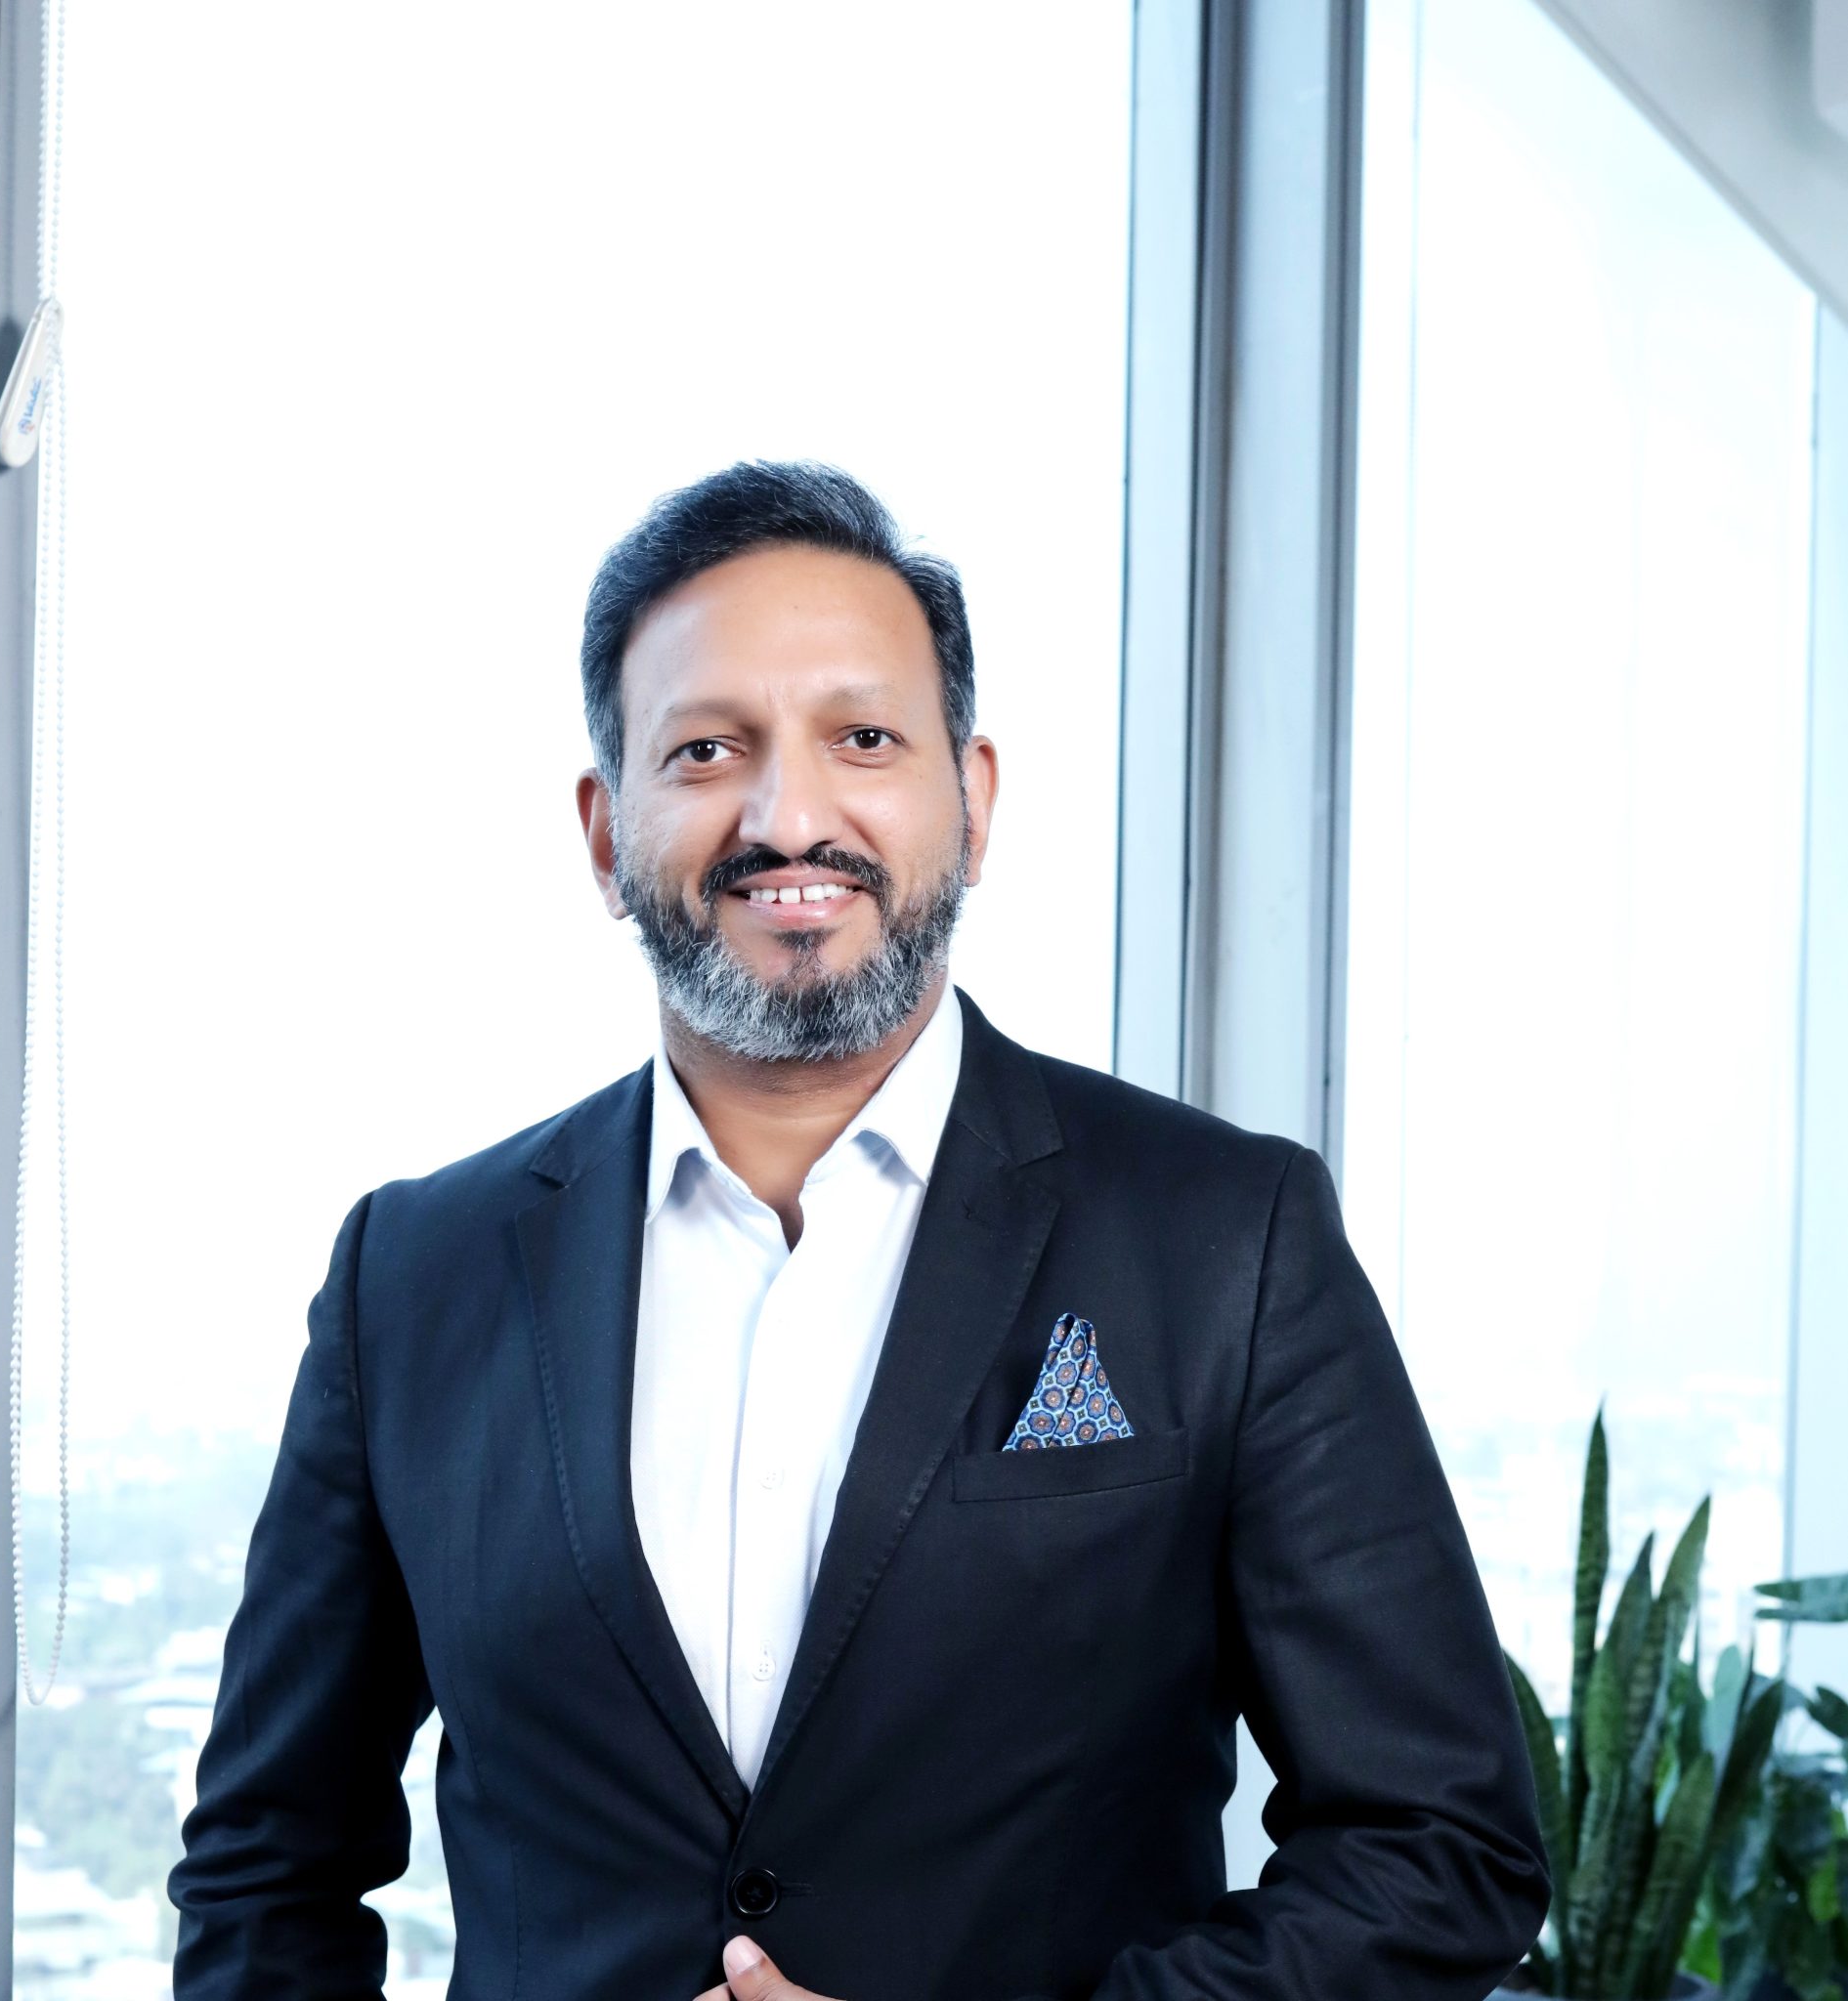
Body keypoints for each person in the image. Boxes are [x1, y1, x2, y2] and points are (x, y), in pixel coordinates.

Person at [167, 460, 1550, 2001]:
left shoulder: (1226, 1238)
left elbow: (1438, 1843)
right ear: (605, 833)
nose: (787, 818)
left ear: (972, 801)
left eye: (863, 739)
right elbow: (265, 1871)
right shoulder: (413, 1276)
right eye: (705, 750)